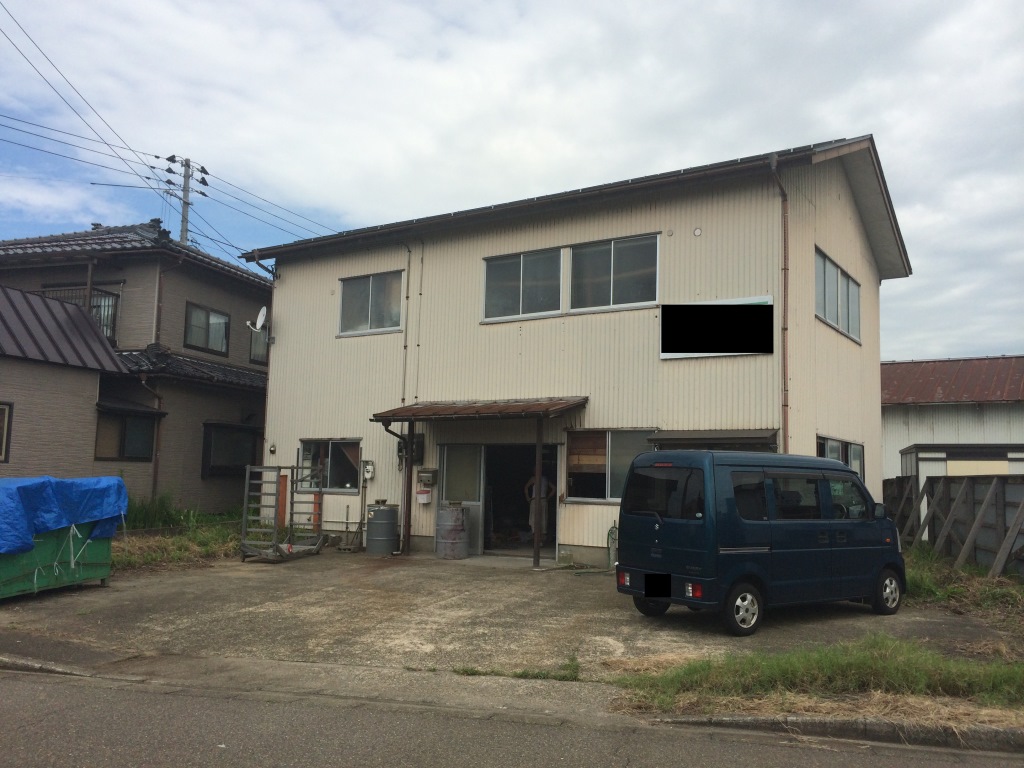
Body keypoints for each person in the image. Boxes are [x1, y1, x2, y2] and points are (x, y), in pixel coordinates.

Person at [523, 473, 555, 542]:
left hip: (535, 500)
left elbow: (526, 487)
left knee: (534, 518)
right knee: (543, 518)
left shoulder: (534, 478)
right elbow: (554, 489)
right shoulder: (545, 479)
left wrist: (528, 498)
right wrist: (547, 498)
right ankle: (540, 540)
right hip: (543, 499)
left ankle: (537, 539)